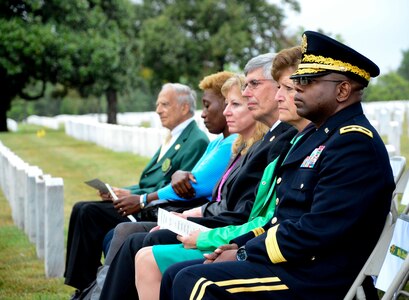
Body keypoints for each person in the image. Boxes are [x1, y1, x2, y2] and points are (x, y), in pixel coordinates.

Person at [160, 30, 395, 300]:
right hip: (295, 262)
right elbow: (281, 219)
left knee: (196, 281)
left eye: (306, 81)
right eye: (296, 81)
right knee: (176, 274)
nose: (297, 90)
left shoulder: (353, 143)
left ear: (342, 90)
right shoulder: (319, 137)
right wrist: (238, 244)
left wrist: (243, 252)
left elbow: (316, 231)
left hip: (317, 278)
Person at [98, 54, 297, 300]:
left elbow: (222, 199)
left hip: (235, 231)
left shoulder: (274, 141)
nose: (228, 111)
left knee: (143, 244)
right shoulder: (249, 144)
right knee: (125, 234)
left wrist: (146, 200)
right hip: (228, 226)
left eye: (252, 87)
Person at [64, 83, 210, 294]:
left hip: (157, 209)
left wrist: (136, 196)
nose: (158, 109)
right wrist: (121, 190)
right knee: (82, 209)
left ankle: (85, 286)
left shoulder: (195, 140)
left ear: (185, 107)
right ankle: (84, 284)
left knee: (88, 212)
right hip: (144, 201)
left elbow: (178, 189)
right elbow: (147, 182)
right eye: (158, 104)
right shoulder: (173, 137)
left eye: (165, 104)